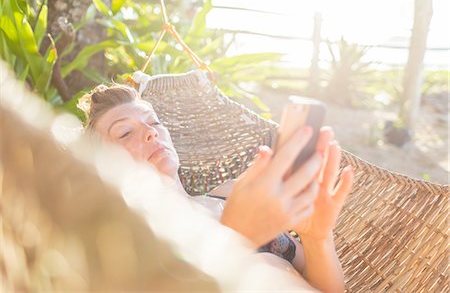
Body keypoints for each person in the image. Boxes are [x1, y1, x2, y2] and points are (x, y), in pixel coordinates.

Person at [79, 84, 354, 293]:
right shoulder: (127, 239)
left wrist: (318, 238)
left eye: (154, 122)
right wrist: (238, 237)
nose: (151, 133)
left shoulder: (232, 194)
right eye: (125, 133)